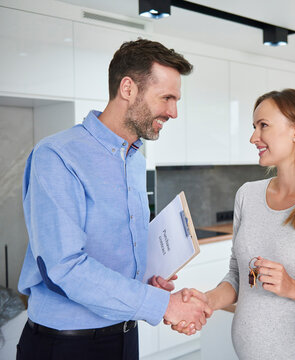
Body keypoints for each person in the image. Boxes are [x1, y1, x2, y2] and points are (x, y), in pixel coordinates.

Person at [17, 39, 211, 360]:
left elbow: (110, 248)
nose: (173, 112)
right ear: (128, 88)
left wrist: (145, 280)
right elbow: (64, 267)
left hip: (123, 337)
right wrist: (162, 305)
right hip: (66, 344)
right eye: (167, 98)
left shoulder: (134, 157)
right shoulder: (57, 155)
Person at [178, 89, 295, 358]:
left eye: (264, 126)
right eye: (254, 126)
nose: (253, 137)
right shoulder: (247, 194)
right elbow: (238, 275)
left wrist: (292, 287)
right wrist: (207, 300)